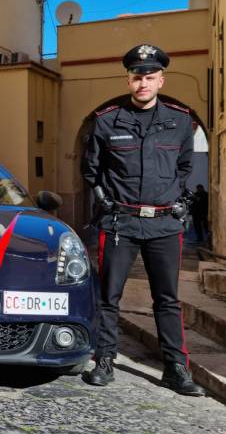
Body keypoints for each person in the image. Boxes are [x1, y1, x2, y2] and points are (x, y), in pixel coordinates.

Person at [80, 44, 205, 396]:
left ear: (161, 80)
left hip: (164, 224)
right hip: (120, 223)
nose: (142, 83)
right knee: (109, 296)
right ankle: (104, 359)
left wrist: (173, 200)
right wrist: (105, 202)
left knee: (167, 299)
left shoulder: (180, 122)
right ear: (129, 79)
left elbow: (184, 167)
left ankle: (176, 368)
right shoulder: (107, 121)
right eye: (137, 77)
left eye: (149, 77)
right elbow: (91, 170)